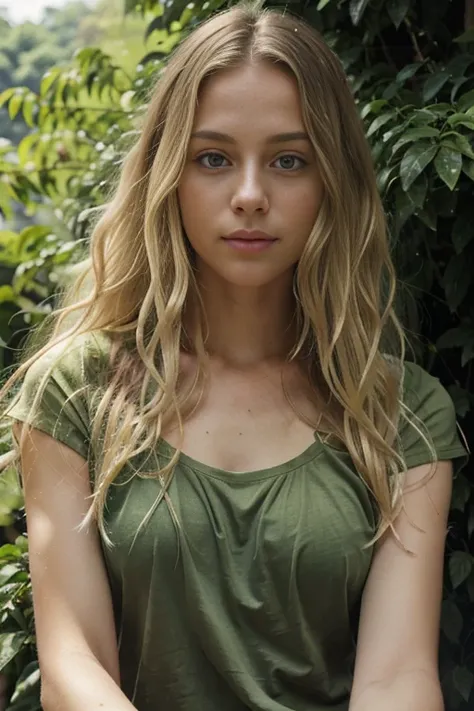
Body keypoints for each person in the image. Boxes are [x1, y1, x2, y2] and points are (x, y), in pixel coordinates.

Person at [0, 2, 469, 710]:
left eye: (289, 160)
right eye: (213, 158)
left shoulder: (400, 414)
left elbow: (396, 677)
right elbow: (73, 667)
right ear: (169, 173)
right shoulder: (75, 393)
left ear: (330, 182)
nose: (250, 196)